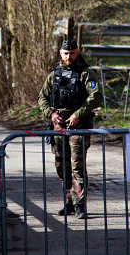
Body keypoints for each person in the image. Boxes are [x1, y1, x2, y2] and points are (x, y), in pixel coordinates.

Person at [38, 39, 102, 219]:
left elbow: (96, 96)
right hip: (58, 126)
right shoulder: (54, 75)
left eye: (72, 53)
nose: (68, 56)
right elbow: (42, 97)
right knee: (62, 166)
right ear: (60, 53)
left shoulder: (85, 73)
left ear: (78, 52)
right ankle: (68, 203)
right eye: (65, 53)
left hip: (78, 126)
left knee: (77, 166)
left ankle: (79, 204)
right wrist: (50, 113)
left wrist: (78, 114)